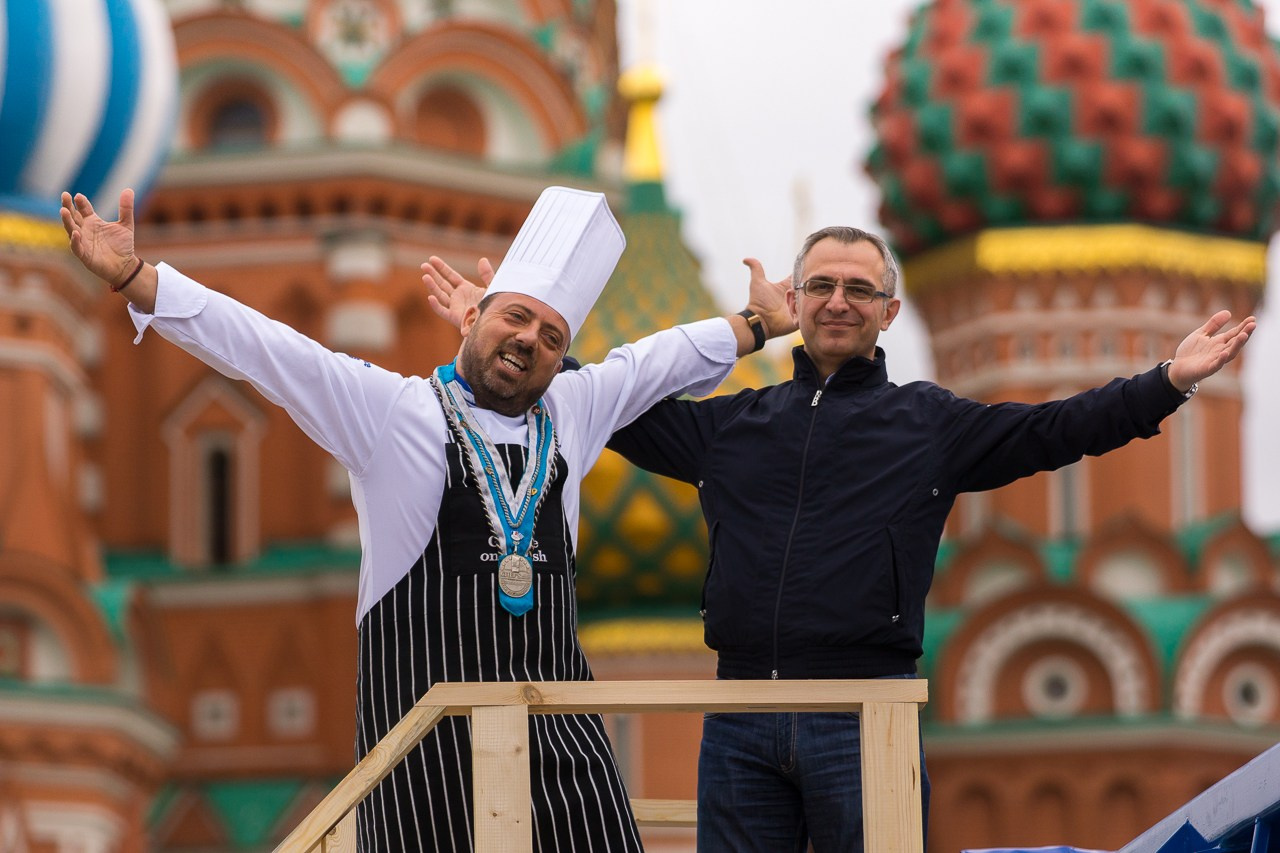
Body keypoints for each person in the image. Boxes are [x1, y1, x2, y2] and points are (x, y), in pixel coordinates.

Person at [427, 225, 1255, 852]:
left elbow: (1057, 428)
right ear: (794, 300)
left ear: (888, 312)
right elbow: (599, 401)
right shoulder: (735, 426)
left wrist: (1167, 383)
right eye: (820, 284)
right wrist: (500, 331)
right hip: (741, 710)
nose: (837, 301)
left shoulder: (929, 424)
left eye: (859, 290)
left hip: (864, 711)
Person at [59, 186, 782, 853]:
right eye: (516, 316)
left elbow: (656, 359)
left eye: (553, 336)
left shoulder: (573, 411)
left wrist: (755, 324)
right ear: (475, 317)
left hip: (564, 755)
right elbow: (267, 348)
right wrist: (136, 278)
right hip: (422, 755)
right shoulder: (392, 413)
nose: (531, 339)